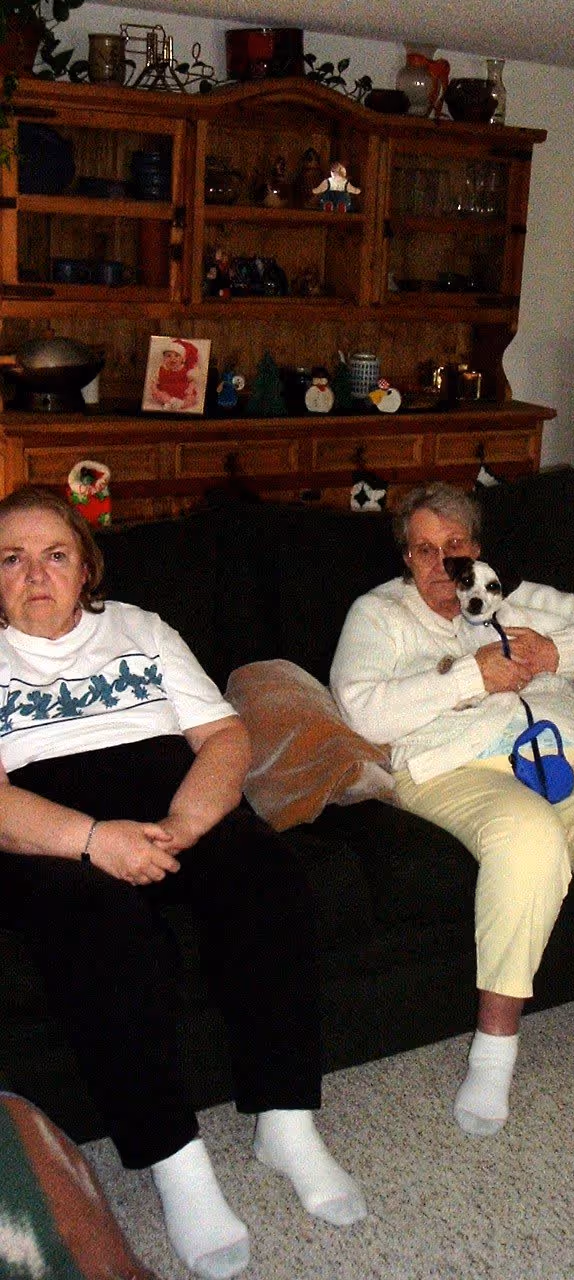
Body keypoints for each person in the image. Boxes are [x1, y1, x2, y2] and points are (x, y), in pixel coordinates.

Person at [0, 487, 366, 1280]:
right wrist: (96, 842)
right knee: (103, 930)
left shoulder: (140, 627)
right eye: (12, 558)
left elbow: (224, 735)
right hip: (49, 829)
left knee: (267, 877)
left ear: (85, 567)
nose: (36, 572)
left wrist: (189, 824)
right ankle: (177, 1164)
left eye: (55, 554)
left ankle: (288, 1119)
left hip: (173, 804)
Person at [329, 482, 574, 1137]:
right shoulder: (378, 614)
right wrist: (473, 675)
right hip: (454, 761)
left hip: (566, 743)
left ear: (478, 548)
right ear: (406, 560)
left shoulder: (518, 598)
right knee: (528, 841)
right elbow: (361, 706)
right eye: (424, 550)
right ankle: (493, 1053)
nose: (444, 565)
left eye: (456, 546)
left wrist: (557, 653)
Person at [148, 339, 201, 410]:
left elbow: (192, 381)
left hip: (183, 393)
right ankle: (171, 402)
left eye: (176, 356)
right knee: (160, 395)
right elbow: (154, 381)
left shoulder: (186, 370)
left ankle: (180, 404)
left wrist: (190, 389)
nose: (172, 358)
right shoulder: (161, 370)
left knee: (192, 399)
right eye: (168, 356)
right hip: (166, 392)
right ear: (164, 358)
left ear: (183, 359)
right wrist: (154, 390)